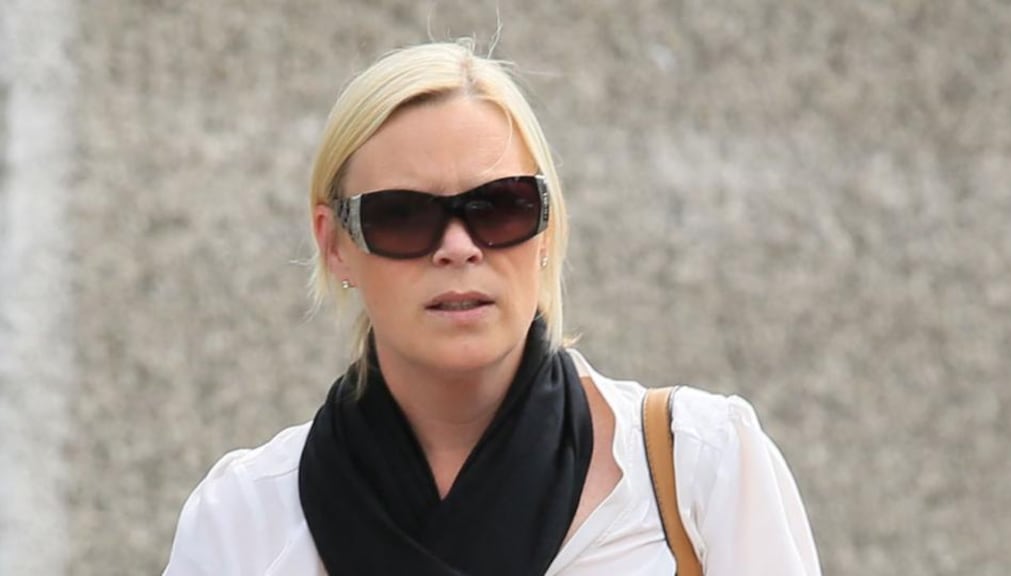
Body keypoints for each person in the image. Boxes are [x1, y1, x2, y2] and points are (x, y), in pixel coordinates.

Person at [163, 40, 821, 576]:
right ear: (336, 245)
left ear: (546, 229)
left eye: (500, 207)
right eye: (401, 216)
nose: (457, 247)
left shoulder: (696, 469)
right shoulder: (245, 519)